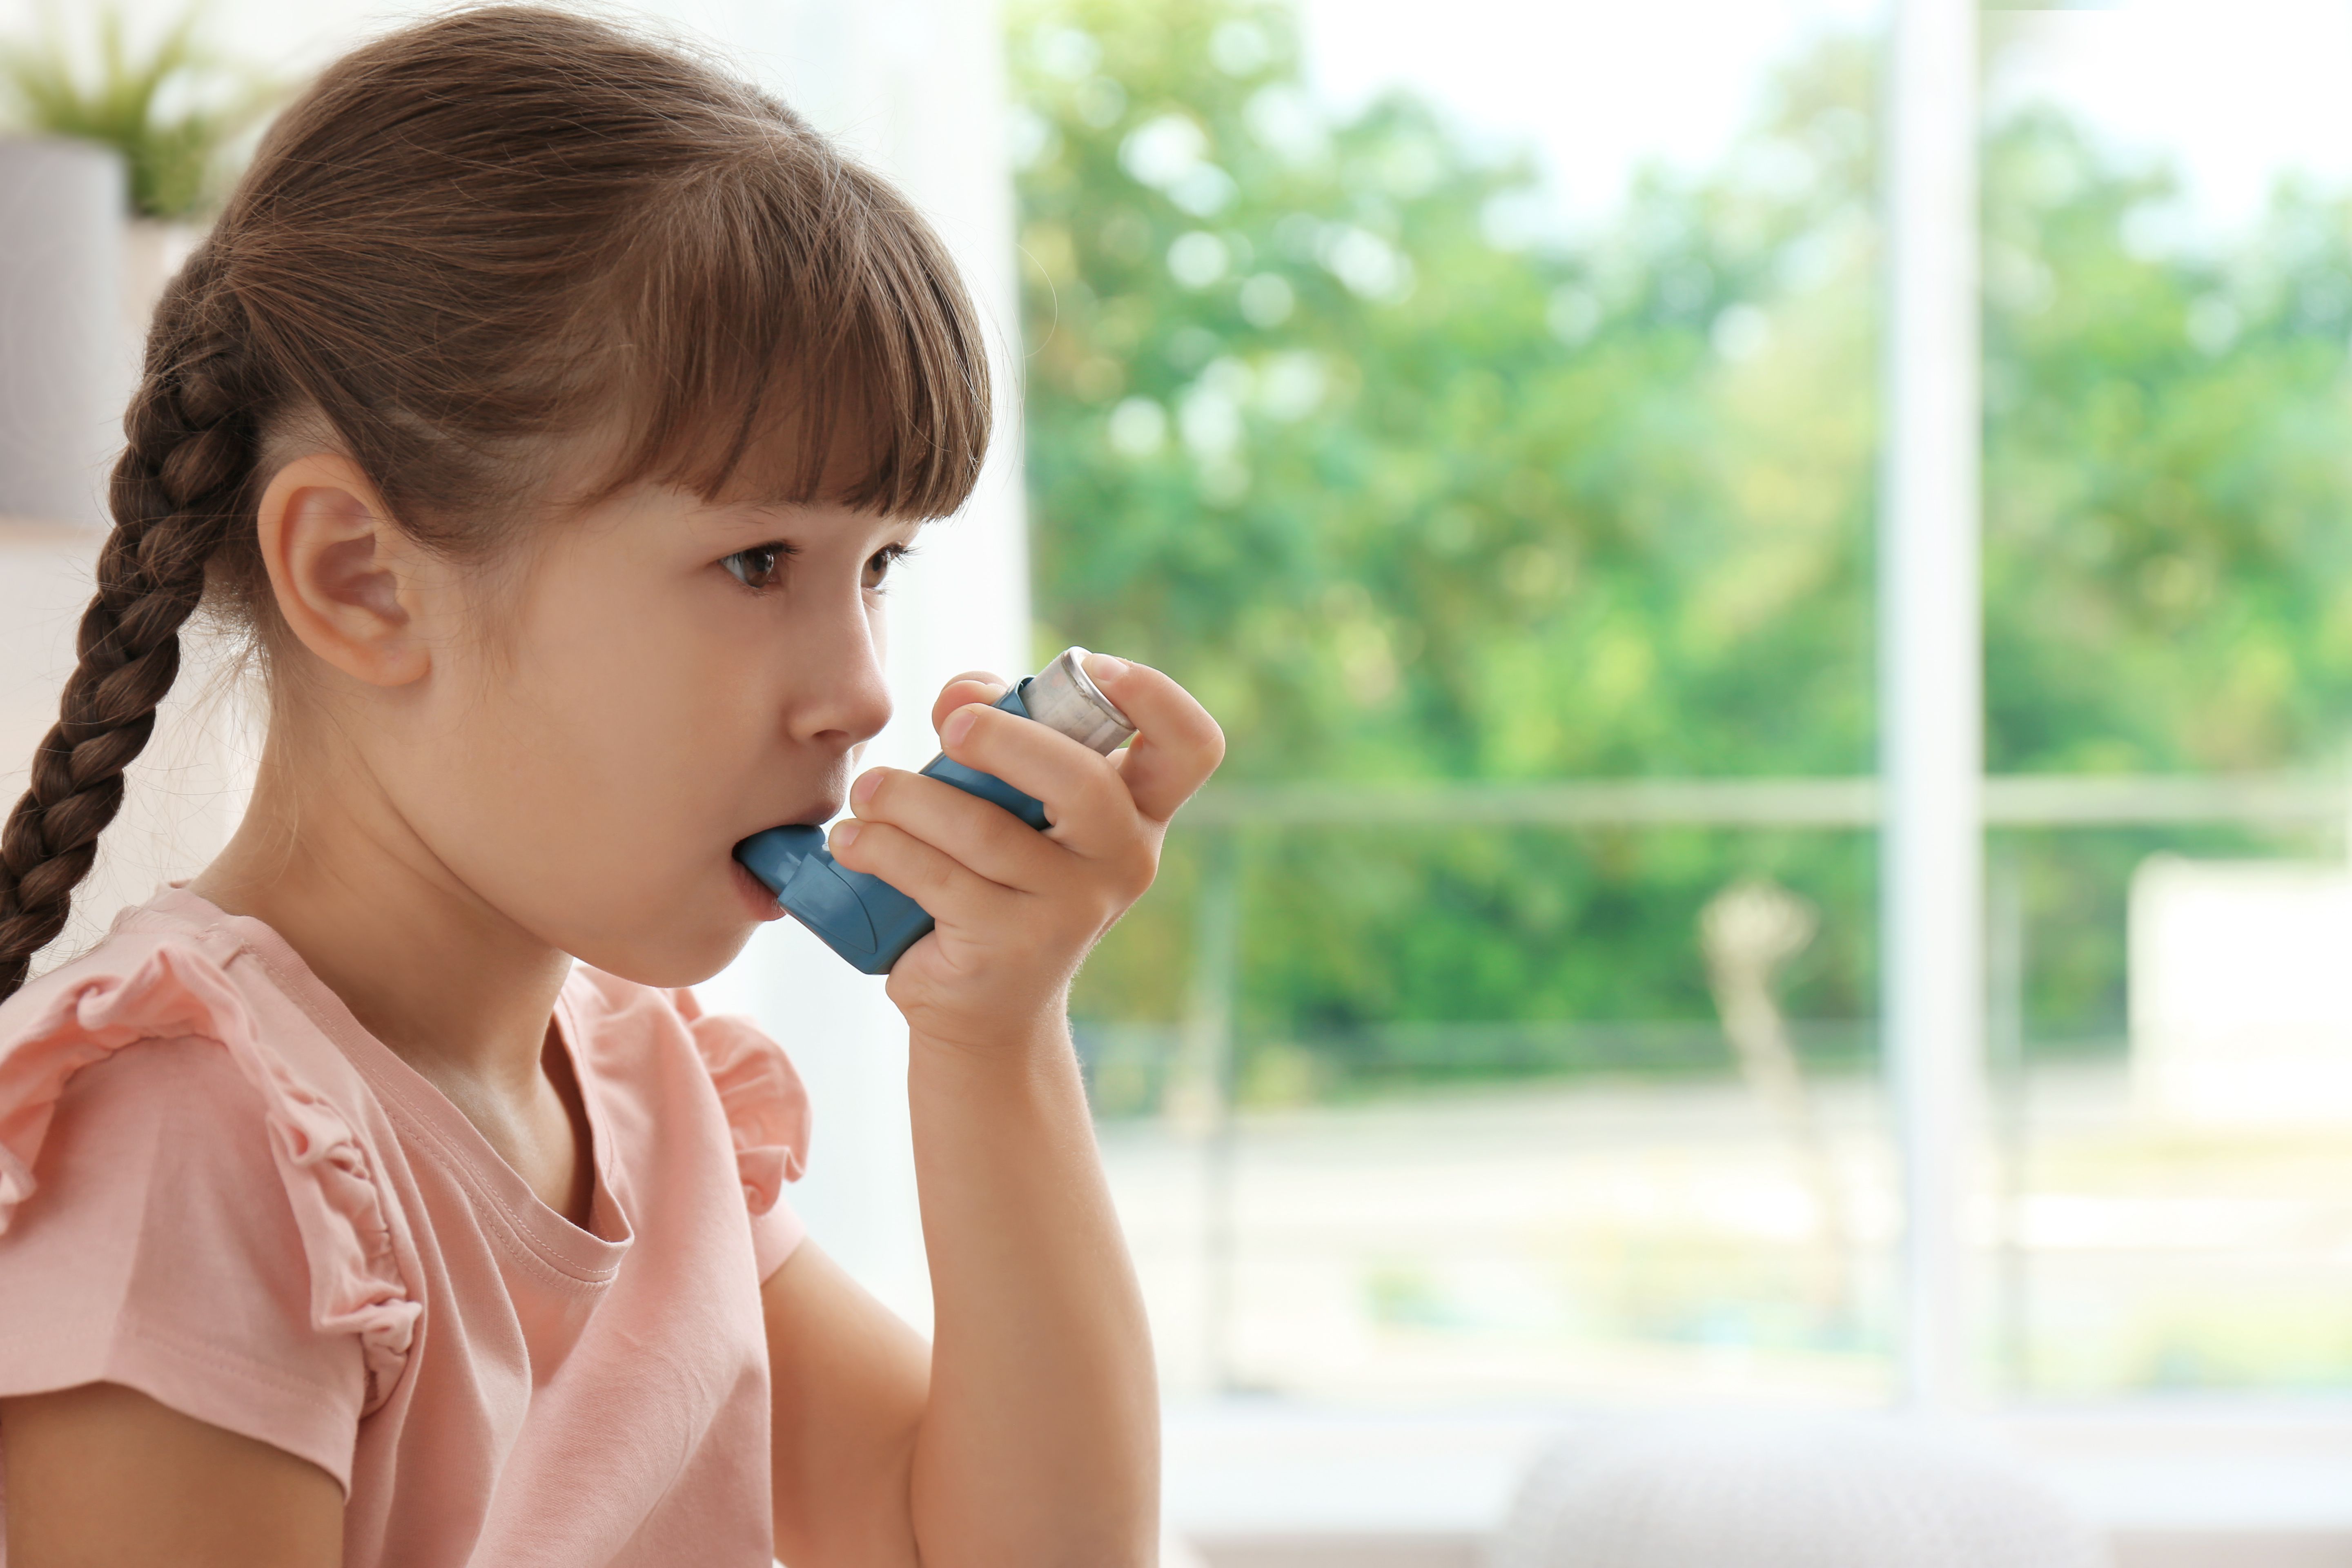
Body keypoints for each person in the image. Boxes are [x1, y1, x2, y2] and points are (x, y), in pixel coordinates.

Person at [0, 7, 1221, 1565]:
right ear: (363, 579)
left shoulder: (654, 1100)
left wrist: (996, 1041)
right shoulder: (192, 1138)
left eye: (880, 566)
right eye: (760, 560)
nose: (858, 689)